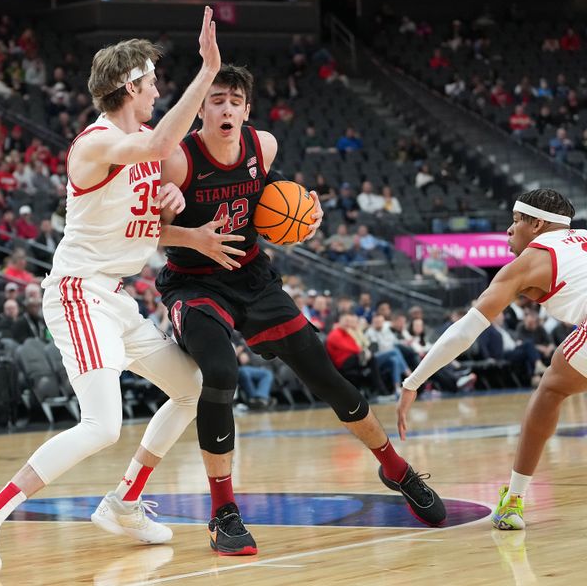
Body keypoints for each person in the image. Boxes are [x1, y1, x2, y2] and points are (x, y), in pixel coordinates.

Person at [0, 7, 239, 575]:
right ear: (131, 85)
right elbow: (151, 154)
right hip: (79, 293)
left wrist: (177, 221)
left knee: (193, 386)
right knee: (102, 424)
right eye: (152, 83)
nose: (157, 93)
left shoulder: (144, 142)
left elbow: (145, 221)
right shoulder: (95, 143)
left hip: (116, 297)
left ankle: (125, 501)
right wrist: (207, 73)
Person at [125, 63, 445, 557]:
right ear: (199, 109)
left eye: (235, 100)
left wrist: (304, 214)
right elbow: (145, 231)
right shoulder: (177, 161)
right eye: (216, 100)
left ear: (247, 110)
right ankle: (224, 512)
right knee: (220, 372)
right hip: (194, 284)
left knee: (327, 378)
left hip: (252, 276)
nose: (226, 107)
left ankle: (396, 469)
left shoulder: (264, 146)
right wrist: (177, 220)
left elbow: (270, 206)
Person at [396, 189, 586, 532]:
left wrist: (413, 382)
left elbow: (464, 332)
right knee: (557, 378)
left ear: (538, 223)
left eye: (516, 221)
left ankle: (514, 500)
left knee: (550, 391)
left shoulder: (528, 262)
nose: (509, 231)